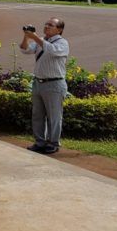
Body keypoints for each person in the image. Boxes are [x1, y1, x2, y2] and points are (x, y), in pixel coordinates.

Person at [20, 17, 69, 154]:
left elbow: (52, 51)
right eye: (46, 24)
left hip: (54, 84)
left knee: (54, 116)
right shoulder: (41, 40)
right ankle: (40, 142)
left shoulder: (63, 43)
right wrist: (26, 37)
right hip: (38, 83)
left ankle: (53, 143)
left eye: (51, 25)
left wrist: (35, 37)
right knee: (37, 115)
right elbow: (25, 50)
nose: (47, 26)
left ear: (59, 30)